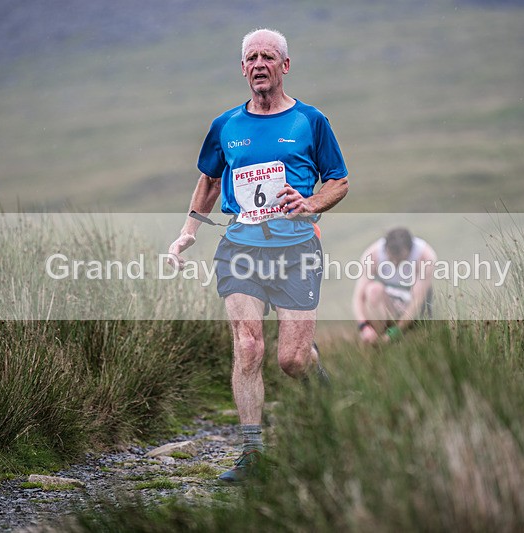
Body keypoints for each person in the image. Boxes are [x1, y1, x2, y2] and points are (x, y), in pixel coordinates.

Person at [167, 28, 349, 482]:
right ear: (243, 68)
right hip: (240, 247)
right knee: (248, 347)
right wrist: (188, 231)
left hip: (296, 249)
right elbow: (209, 182)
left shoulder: (310, 120)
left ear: (285, 66)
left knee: (292, 360)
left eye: (269, 56)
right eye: (252, 58)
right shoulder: (225, 125)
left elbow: (339, 180)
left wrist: (310, 204)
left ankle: (319, 379)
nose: (259, 64)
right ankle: (252, 455)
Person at [352, 228, 436, 344]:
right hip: (387, 306)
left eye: (401, 259)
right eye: (391, 259)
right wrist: (364, 326)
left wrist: (396, 332)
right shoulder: (372, 255)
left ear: (410, 252)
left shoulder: (425, 256)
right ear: (386, 250)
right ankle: (377, 339)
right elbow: (358, 297)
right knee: (373, 290)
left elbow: (418, 301)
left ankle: (408, 335)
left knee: (418, 293)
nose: (396, 263)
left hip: (415, 310)